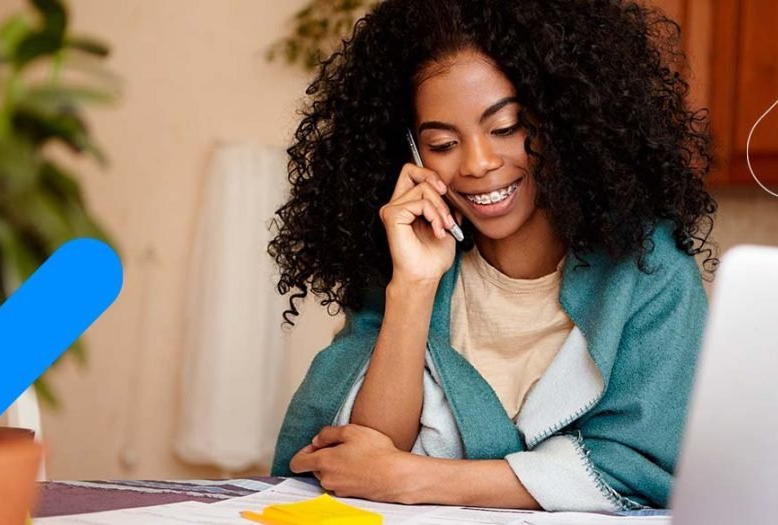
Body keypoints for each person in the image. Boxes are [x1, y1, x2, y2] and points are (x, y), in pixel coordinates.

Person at [268, 0, 717, 512]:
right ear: (412, 154)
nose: (479, 164)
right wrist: (413, 286)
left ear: (564, 122)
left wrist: (416, 478)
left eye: (506, 128)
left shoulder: (646, 268)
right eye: (442, 143)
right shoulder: (402, 267)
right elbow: (360, 463)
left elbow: (643, 468)